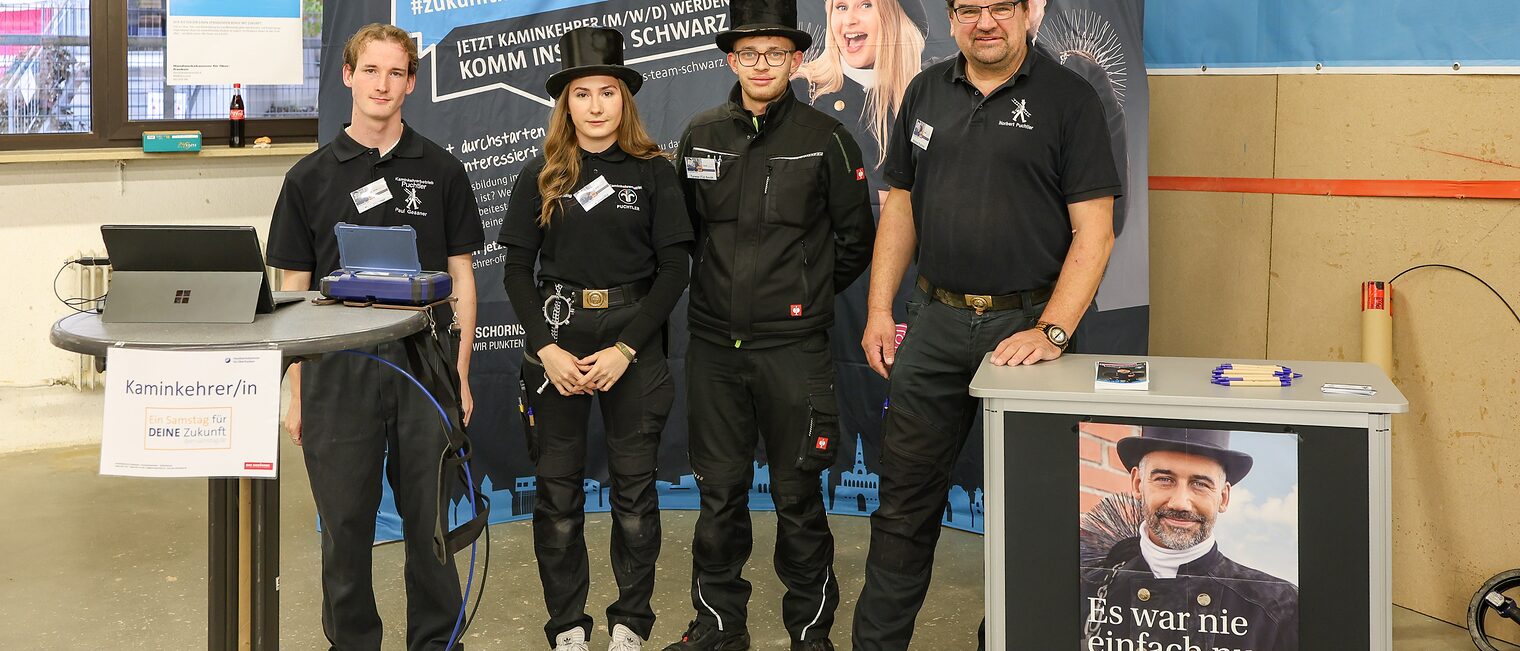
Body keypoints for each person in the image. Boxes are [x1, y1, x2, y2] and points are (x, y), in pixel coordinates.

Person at [852, 0, 1122, 647]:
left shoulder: (1070, 99)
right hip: (934, 324)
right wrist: (880, 309)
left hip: (1027, 329)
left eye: (1001, 6)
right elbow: (900, 207)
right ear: (951, 20)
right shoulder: (924, 91)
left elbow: (1095, 230)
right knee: (902, 507)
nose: (985, 22)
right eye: (969, 9)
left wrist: (1053, 330)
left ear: (1027, 13)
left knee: (1031, 511)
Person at [665, 1, 876, 649]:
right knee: (718, 496)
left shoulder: (827, 138)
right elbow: (684, 234)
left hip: (794, 352)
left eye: (776, 53)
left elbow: (855, 240)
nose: (762, 64)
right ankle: (718, 627)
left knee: (798, 497)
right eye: (750, 53)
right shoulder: (700, 134)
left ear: (797, 59)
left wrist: (801, 296)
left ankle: (810, 634)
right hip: (714, 351)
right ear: (732, 60)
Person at [268, 23, 484, 651]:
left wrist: (460, 374)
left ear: (411, 83)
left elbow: (462, 279)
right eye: (370, 70)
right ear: (348, 76)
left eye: (396, 73)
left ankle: (436, 642)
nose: (382, 84)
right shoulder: (308, 178)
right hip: (337, 371)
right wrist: (296, 391)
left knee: (431, 529)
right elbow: (292, 293)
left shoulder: (442, 170)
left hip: (423, 368)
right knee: (344, 530)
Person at [498, 26, 693, 651]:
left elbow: (675, 269)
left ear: (624, 99)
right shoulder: (540, 174)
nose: (596, 105)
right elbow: (515, 270)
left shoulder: (654, 172)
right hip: (557, 340)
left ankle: (631, 624)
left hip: (632, 341)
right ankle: (567, 628)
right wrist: (546, 350)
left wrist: (627, 349)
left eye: (607, 92)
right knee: (557, 499)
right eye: (582, 94)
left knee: (634, 498)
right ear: (566, 103)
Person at [1082, 427, 1300, 651]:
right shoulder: (1084, 591)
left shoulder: (1279, 607)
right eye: (1164, 479)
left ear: (1223, 497)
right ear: (1138, 484)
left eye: (1200, 484)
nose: (1180, 503)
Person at [796, 0, 929, 200]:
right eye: (841, 7)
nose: (849, 20)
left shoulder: (929, 95)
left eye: (866, 5)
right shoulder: (803, 92)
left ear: (897, 18)